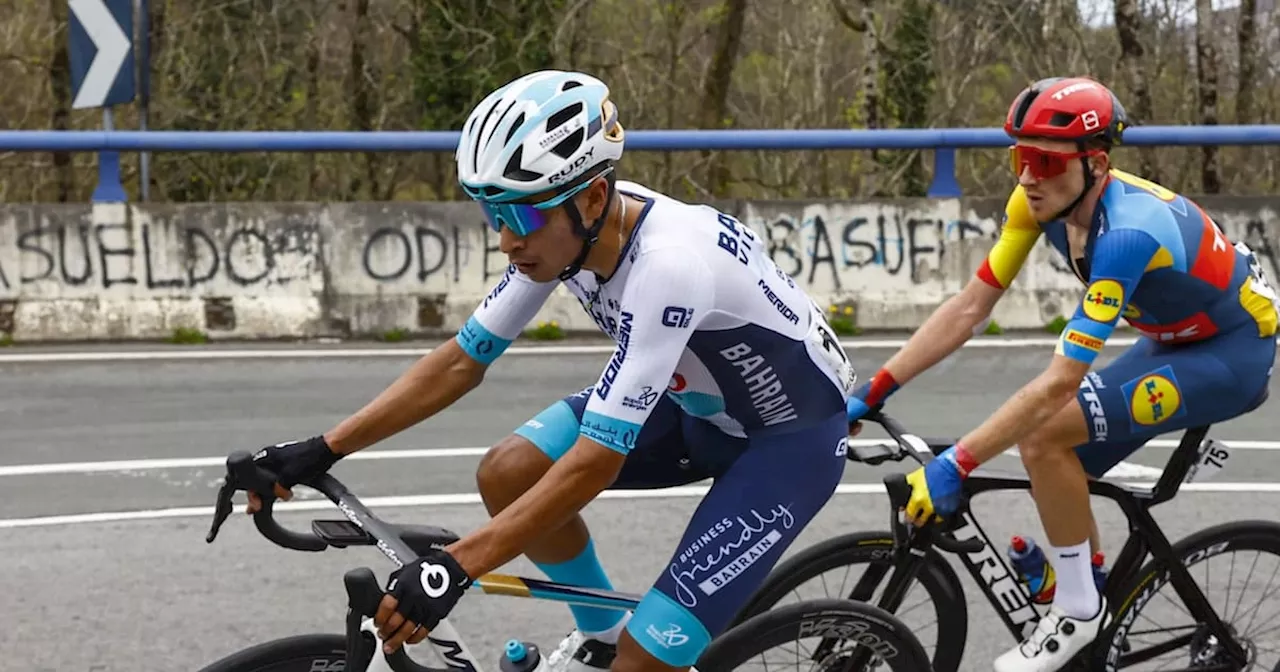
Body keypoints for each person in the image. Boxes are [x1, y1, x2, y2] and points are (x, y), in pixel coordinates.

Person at [240, 69, 858, 672]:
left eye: (520, 218)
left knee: (645, 661)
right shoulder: (570, 237)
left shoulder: (669, 265)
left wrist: (454, 567)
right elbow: (460, 361)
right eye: (494, 216)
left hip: (784, 446)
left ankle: (631, 652)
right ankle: (602, 635)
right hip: (697, 407)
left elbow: (596, 460)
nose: (507, 241)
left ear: (592, 197)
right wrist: (323, 448)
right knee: (508, 471)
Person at [845, 75, 1278, 672]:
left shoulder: (1125, 235)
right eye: (1019, 157)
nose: (1027, 177)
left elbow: (1057, 383)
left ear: (1095, 165)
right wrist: (874, 389)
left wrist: (956, 463)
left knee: (1044, 435)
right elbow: (970, 308)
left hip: (1231, 354)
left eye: (1045, 161)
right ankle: (1088, 595)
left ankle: (1076, 612)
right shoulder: (1035, 203)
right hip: (1173, 341)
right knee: (1061, 466)